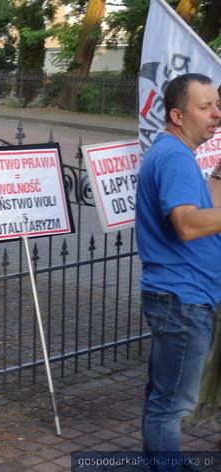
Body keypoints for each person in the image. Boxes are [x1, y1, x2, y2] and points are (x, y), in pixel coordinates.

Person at [136, 72, 221, 467]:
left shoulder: (175, 152)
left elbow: (204, 207)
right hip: (183, 299)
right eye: (204, 107)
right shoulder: (174, 157)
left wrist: (219, 173)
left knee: (163, 396)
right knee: (171, 406)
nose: (215, 114)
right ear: (176, 115)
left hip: (180, 296)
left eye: (217, 105)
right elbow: (187, 224)